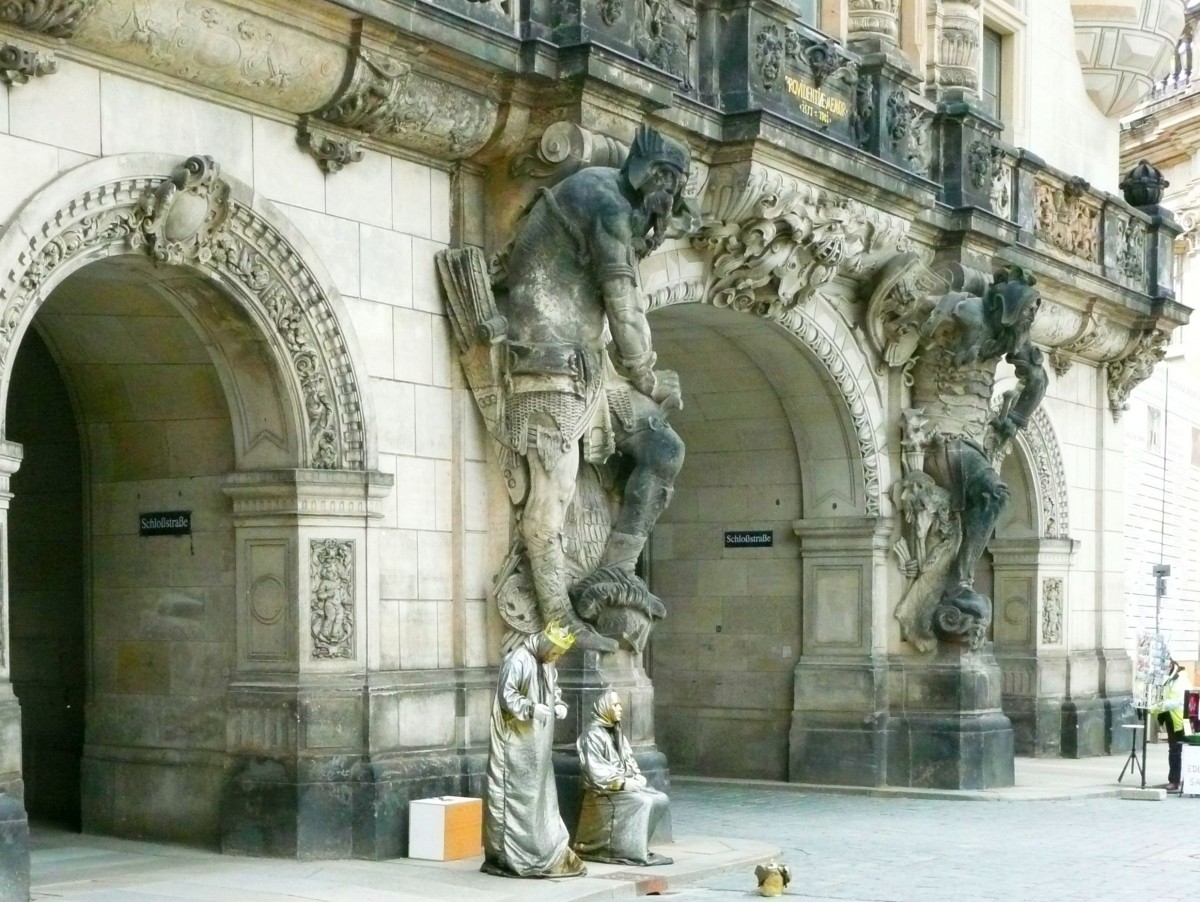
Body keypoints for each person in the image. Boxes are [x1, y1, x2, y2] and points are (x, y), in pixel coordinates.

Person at [495, 124, 697, 651]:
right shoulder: (605, 203)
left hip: (588, 363)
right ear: (655, 177)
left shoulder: (610, 195)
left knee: (664, 449)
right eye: (671, 190)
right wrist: (649, 376)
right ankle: (560, 623)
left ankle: (615, 574)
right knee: (551, 498)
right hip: (545, 359)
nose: (670, 205)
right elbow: (624, 308)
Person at [481, 623, 586, 878]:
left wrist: (558, 703)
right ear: (544, 644)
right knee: (518, 797)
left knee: (539, 798)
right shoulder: (517, 659)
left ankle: (541, 847)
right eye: (554, 652)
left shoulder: (546, 662)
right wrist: (530, 708)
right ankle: (512, 854)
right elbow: (507, 695)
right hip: (516, 745)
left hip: (539, 746)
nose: (555, 658)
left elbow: (554, 688)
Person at [573, 689, 671, 866]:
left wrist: (637, 776)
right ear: (604, 708)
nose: (620, 708)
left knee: (661, 799)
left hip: (621, 786)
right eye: (615, 705)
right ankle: (632, 851)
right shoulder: (592, 734)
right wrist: (623, 783)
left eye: (619, 704)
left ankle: (633, 846)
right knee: (644, 802)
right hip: (604, 791)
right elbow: (596, 772)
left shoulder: (617, 732)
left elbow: (629, 760)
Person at [1154, 659, 1190, 791]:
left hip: (1182, 720)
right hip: (1171, 719)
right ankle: (1174, 780)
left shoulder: (1180, 679)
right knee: (1174, 751)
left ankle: (1179, 781)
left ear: (1170, 665)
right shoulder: (1167, 678)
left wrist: (1157, 705)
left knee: (1180, 750)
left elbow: (1175, 701)